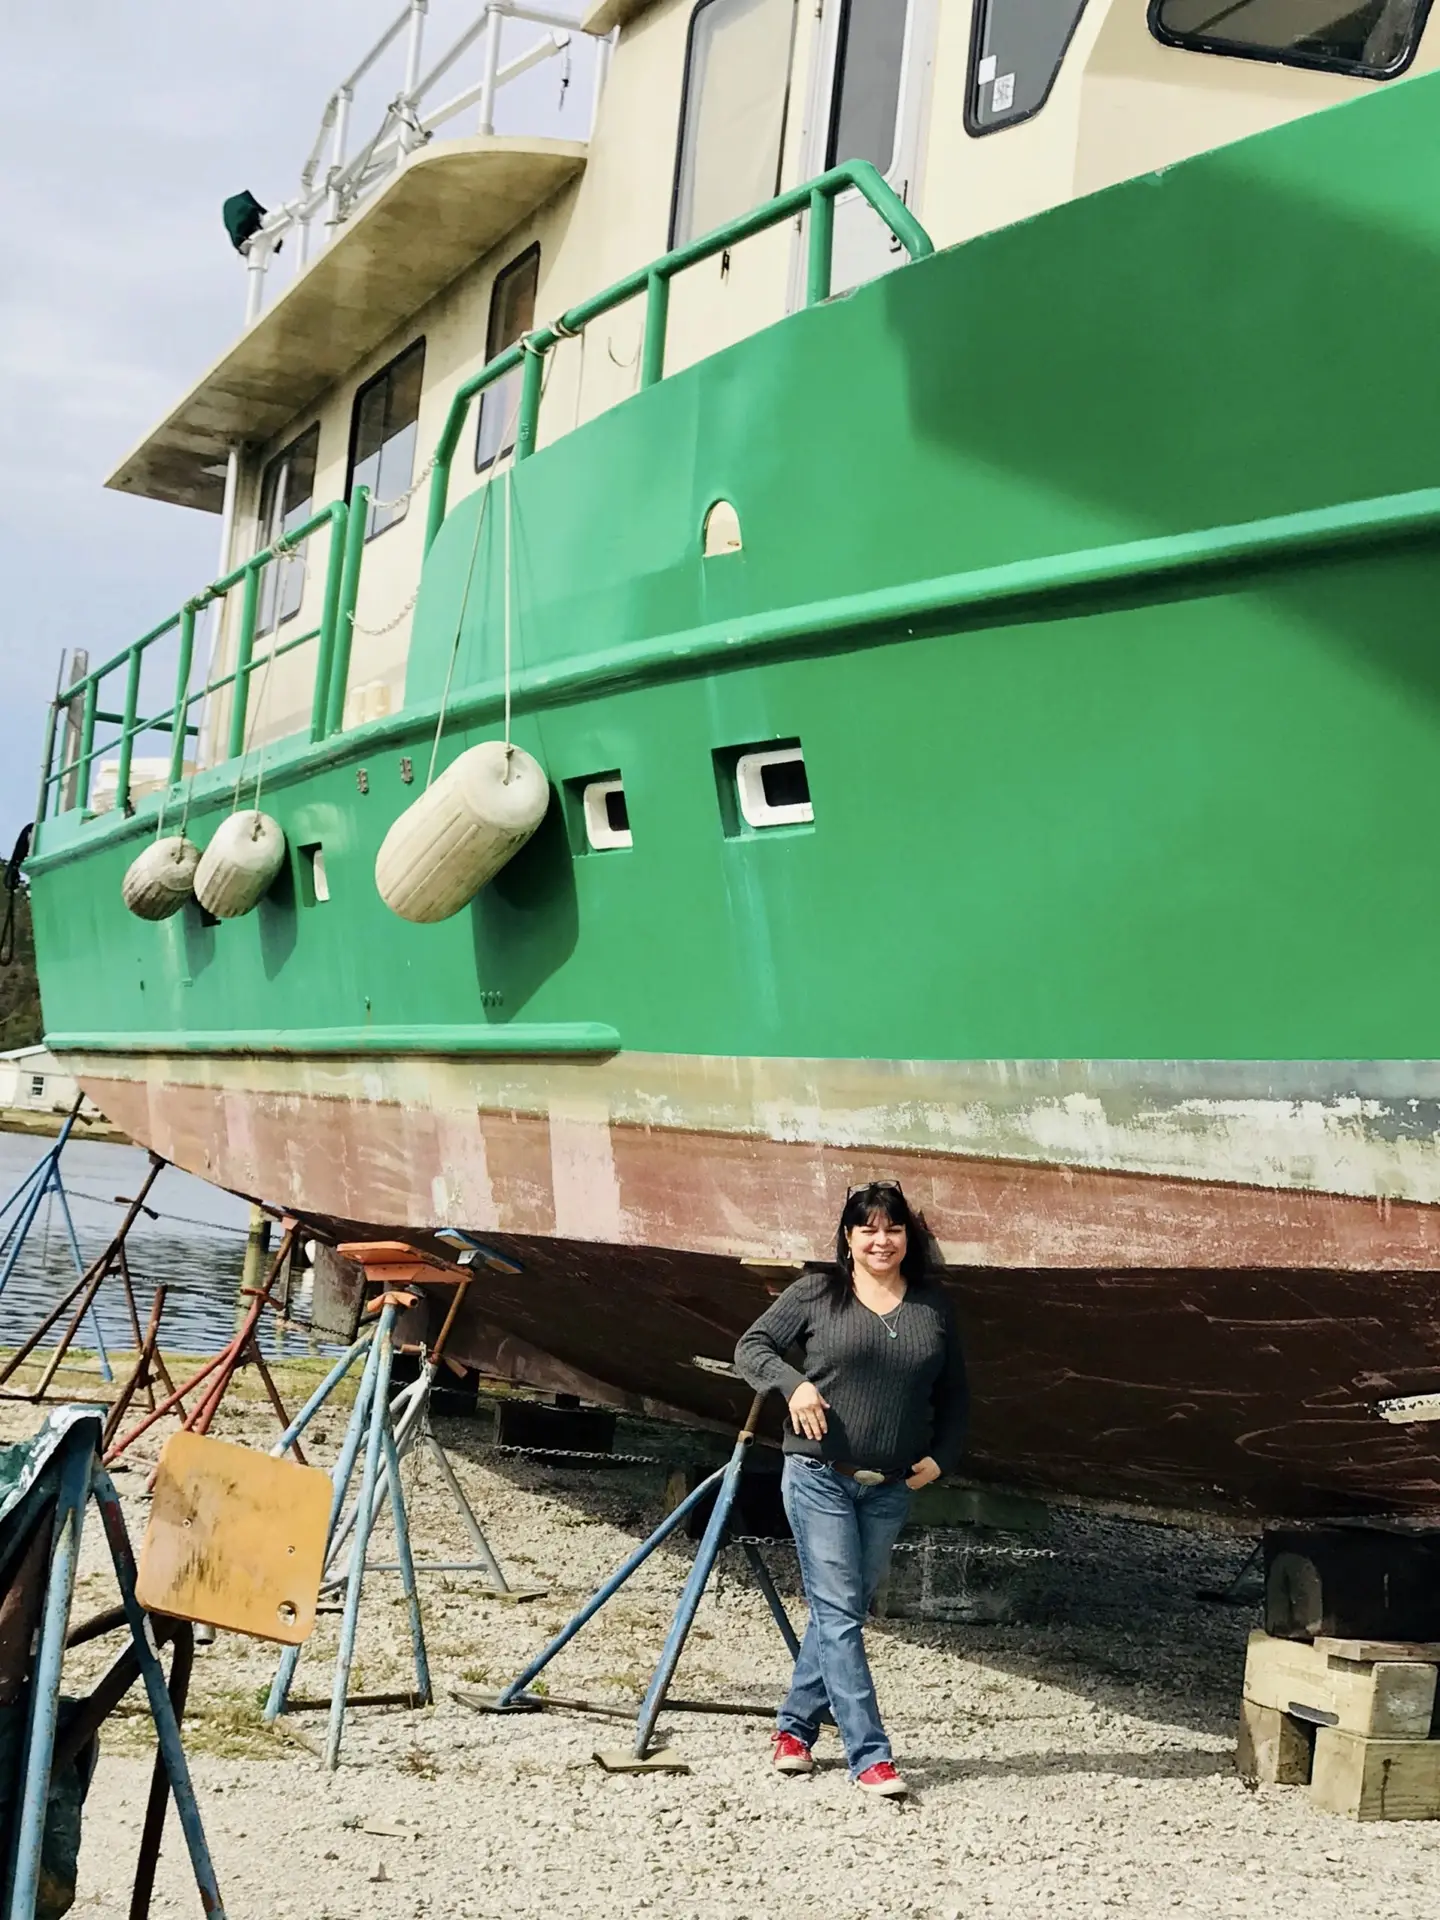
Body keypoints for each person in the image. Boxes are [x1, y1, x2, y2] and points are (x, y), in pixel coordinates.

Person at [734, 1179, 967, 1798]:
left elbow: (956, 1395)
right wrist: (794, 1385)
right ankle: (871, 1756)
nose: (881, 1240)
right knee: (839, 1612)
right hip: (818, 1476)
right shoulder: (817, 1293)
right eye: (868, 1229)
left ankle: (793, 1729)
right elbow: (750, 1347)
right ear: (848, 1236)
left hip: (890, 1488)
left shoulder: (932, 1308)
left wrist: (942, 1458)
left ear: (907, 1238)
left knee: (842, 1612)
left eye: (892, 1229)